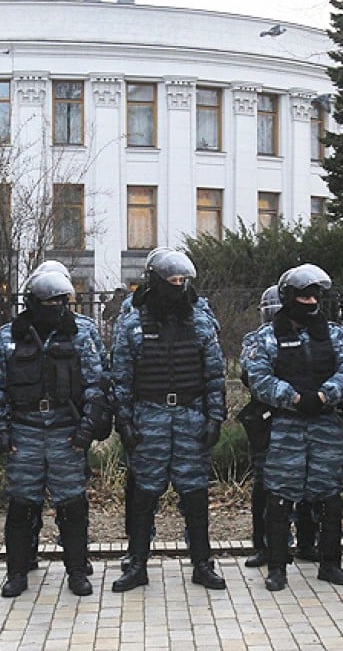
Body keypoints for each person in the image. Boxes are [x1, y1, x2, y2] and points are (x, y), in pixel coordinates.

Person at [0, 268, 110, 598]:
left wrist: (86, 430)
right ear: (33, 302)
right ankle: (16, 573)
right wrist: (0, 431)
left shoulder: (81, 332)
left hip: (65, 433)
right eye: (50, 301)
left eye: (61, 301)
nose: (57, 306)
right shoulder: (10, 335)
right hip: (24, 432)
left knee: (72, 506)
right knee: (21, 505)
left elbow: (96, 385)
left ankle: (76, 571)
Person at [110, 250, 227, 592]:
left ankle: (203, 564)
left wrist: (214, 418)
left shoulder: (201, 323)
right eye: (172, 281)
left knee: (195, 494)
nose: (178, 288)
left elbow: (215, 375)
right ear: (155, 283)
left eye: (183, 282)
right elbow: (120, 379)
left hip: (191, 418)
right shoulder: (132, 324)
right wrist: (125, 421)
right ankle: (137, 565)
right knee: (144, 494)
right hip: (150, 418)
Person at [241, 263, 343, 591]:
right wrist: (292, 398)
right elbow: (259, 379)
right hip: (286, 425)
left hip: (325, 424)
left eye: (315, 295)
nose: (310, 301)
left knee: (330, 495)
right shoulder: (266, 336)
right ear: (289, 297)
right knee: (280, 496)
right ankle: (277, 567)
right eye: (303, 296)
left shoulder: (334, 334)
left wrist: (323, 395)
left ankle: (330, 564)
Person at [237, 285, 281, 568]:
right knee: (263, 483)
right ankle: (263, 544)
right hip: (265, 418)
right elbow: (248, 376)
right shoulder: (255, 341)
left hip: (297, 417)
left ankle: (303, 540)